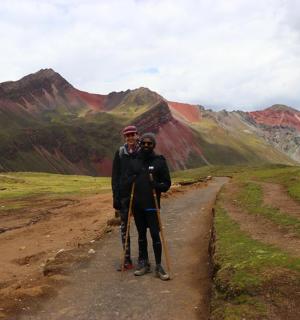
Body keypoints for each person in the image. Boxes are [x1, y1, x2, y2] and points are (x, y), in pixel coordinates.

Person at [126, 132, 171, 280]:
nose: (146, 145)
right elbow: (126, 181)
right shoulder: (134, 160)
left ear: (153, 145)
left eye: (149, 143)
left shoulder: (159, 161)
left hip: (152, 205)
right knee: (141, 235)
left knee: (154, 234)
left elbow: (166, 184)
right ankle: (144, 262)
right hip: (137, 205)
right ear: (140, 144)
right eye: (143, 143)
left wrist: (156, 185)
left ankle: (158, 265)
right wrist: (129, 180)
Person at [111, 125, 140, 270]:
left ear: (136, 135)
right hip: (124, 196)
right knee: (124, 228)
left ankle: (143, 259)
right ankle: (127, 259)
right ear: (125, 137)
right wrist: (115, 196)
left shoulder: (143, 151)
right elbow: (115, 175)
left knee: (141, 227)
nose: (130, 138)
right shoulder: (120, 153)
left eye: (132, 135)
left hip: (139, 195)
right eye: (127, 135)